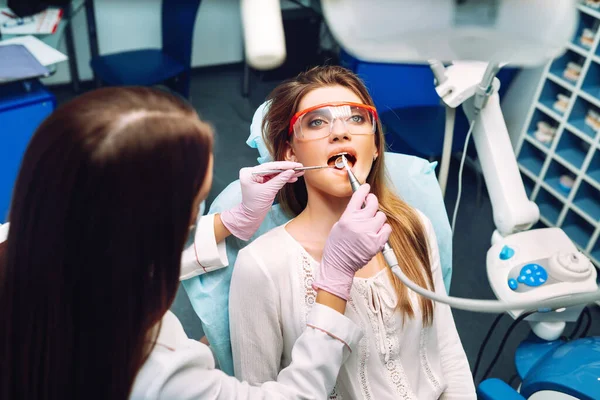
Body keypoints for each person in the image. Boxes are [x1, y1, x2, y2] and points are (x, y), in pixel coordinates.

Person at [0, 87, 392, 400]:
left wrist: (228, 223)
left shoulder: (32, 236)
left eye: (357, 119)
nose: (340, 131)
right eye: (194, 211)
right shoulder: (160, 368)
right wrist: (335, 281)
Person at [229, 65, 477, 399]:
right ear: (290, 153)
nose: (339, 132)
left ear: (375, 146)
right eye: (317, 121)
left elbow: (446, 350)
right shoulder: (261, 265)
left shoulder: (414, 225)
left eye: (357, 119)